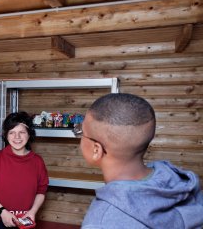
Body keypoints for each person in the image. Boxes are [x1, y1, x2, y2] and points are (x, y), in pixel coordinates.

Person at [79, 93, 203, 228]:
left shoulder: (100, 223)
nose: (79, 136)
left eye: (81, 132)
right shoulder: (178, 182)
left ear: (96, 150)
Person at [0, 111, 48, 228]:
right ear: (6, 135)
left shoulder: (37, 161)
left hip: (25, 219)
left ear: (29, 134)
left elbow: (41, 191)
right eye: (12, 132)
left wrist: (33, 211)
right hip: (0, 219)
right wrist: (2, 211)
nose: (17, 137)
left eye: (22, 132)